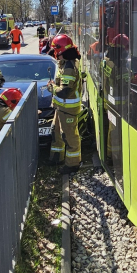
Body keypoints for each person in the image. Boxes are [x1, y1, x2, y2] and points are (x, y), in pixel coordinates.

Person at [46, 35, 83, 175]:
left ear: (61, 50)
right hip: (61, 108)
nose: (55, 54)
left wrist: (52, 88)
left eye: (56, 50)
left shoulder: (68, 67)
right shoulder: (65, 62)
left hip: (68, 109)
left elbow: (64, 91)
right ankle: (56, 158)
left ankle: (73, 164)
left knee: (69, 136)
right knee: (56, 132)